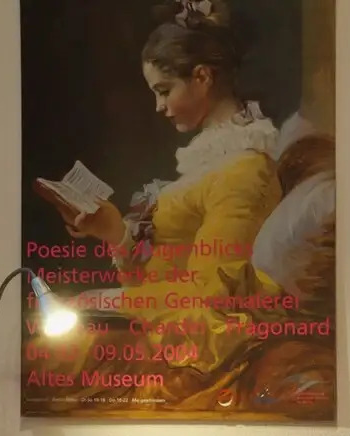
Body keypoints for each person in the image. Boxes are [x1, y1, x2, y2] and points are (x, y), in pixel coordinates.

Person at [34, 0, 298, 413]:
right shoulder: (208, 162)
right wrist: (114, 233)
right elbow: (160, 280)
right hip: (167, 326)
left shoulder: (245, 170)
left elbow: (212, 296)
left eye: (164, 90)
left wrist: (106, 300)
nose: (159, 107)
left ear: (202, 77)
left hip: (203, 341)